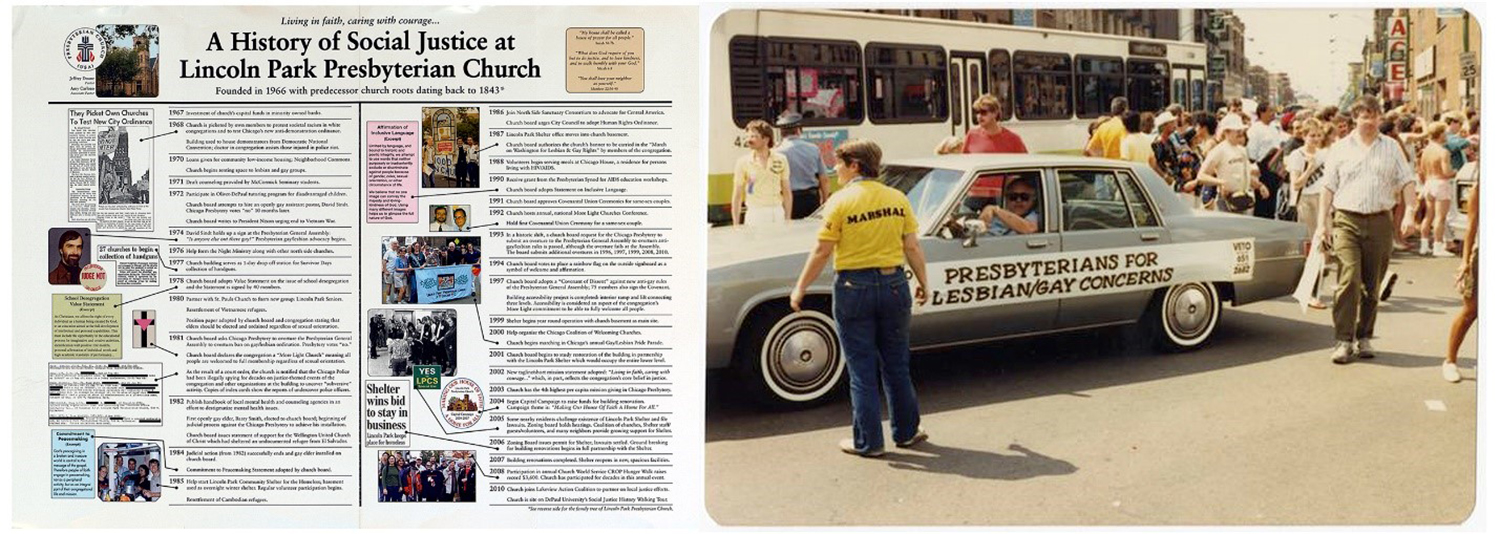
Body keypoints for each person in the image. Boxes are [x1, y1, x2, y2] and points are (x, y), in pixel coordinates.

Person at [789, 139, 930, 457]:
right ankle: (907, 432)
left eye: (838, 163)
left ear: (855, 165)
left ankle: (869, 442)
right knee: (896, 365)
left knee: (861, 369)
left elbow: (822, 250)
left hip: (854, 288)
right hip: (894, 284)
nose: (834, 168)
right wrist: (923, 282)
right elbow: (912, 247)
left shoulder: (840, 202)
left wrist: (800, 288)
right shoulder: (898, 198)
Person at [1314, 95, 1419, 365]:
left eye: (1374, 115)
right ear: (1355, 118)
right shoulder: (1340, 148)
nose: (1370, 121)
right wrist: (1320, 225)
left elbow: (1407, 180)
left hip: (1379, 221)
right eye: (1364, 116)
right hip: (1346, 220)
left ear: (1379, 118)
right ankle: (1343, 340)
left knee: (1372, 285)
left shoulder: (1392, 148)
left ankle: (1364, 336)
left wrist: (1409, 212)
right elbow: (1328, 187)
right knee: (1349, 278)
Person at [1287, 118, 1334, 309]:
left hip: (1323, 201)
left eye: (1317, 135)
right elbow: (1296, 184)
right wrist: (1310, 168)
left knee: (1326, 247)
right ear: (1304, 136)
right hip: (1306, 201)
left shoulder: (1325, 154)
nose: (1314, 139)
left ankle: (1314, 288)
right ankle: (1311, 293)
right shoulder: (1297, 155)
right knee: (1313, 249)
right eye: (1311, 135)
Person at [1187, 113, 1267, 214]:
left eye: (1240, 130)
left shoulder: (1242, 150)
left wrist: (1260, 186)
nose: (1240, 133)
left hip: (1242, 201)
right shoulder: (1219, 150)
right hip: (1225, 202)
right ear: (1226, 132)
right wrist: (1221, 182)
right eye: (1237, 130)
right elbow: (1201, 176)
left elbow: (1245, 175)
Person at [1444, 180, 1478, 382]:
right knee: (1471, 309)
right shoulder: (1480, 188)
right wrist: (1465, 262)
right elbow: (1471, 227)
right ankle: (1450, 360)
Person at [731, 119, 792, 226]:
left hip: (777, 212)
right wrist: (736, 224)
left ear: (766, 139)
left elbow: (786, 191)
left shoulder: (781, 159)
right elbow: (737, 195)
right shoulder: (742, 162)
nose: (749, 140)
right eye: (748, 136)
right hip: (754, 214)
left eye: (753, 136)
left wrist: (787, 218)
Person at [774, 115, 828, 219]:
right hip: (811, 198)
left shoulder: (777, 152)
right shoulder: (814, 149)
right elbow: (824, 179)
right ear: (799, 130)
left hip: (788, 199)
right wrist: (825, 200)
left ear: (781, 133)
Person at [1417, 122, 1458, 257]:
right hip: (1441, 183)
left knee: (1428, 216)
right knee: (1440, 217)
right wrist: (1455, 171)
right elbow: (1446, 172)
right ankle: (1438, 246)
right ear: (1440, 134)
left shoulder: (1426, 151)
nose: (1446, 135)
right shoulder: (1443, 151)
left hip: (1429, 183)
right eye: (1444, 133)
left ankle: (1424, 245)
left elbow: (1421, 170)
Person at [1247, 102, 1286, 219]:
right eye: (1270, 111)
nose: (1273, 114)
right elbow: (1252, 152)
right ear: (1262, 113)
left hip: (1274, 167)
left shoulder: (1274, 128)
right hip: (1262, 168)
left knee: (1272, 199)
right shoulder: (1255, 129)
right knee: (1262, 200)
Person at [962, 94, 1028, 154]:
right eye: (977, 112)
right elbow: (965, 161)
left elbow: (1025, 163)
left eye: (983, 112)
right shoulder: (971, 136)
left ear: (995, 113)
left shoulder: (1014, 140)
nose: (979, 116)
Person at [1149, 111, 1179, 185]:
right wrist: (1165, 177)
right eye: (1171, 123)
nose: (1174, 125)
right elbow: (1155, 164)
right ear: (1164, 126)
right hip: (1162, 182)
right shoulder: (1158, 143)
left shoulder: (1169, 141)